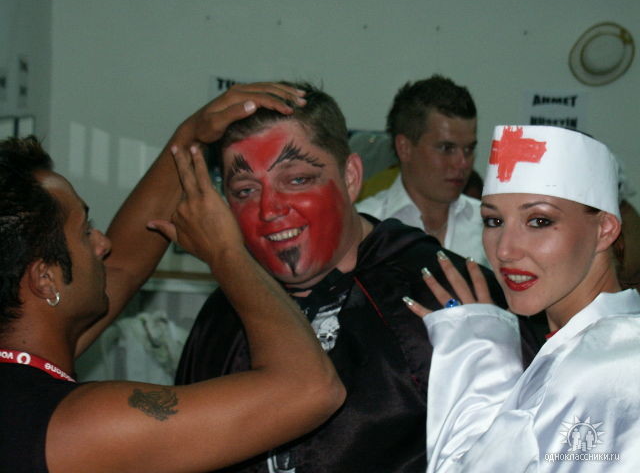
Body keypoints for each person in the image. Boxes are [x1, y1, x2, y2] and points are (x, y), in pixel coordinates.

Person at [175, 82, 541, 473]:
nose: (270, 209)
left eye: (297, 180)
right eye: (245, 190)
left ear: (350, 178)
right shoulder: (226, 312)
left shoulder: (445, 296)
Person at [0, 83, 345, 473]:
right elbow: (310, 389)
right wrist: (226, 254)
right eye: (85, 232)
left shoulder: (18, 371)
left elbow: (124, 265)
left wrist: (190, 138)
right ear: (45, 280)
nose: (103, 243)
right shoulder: (82, 426)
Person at [405, 125, 640, 471]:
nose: (505, 249)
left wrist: (476, 357)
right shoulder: (602, 341)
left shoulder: (600, 366)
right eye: (494, 220)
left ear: (604, 229)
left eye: (539, 221)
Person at [357, 75, 488, 267]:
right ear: (404, 148)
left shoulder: (490, 225)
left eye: (469, 149)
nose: (462, 163)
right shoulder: (364, 227)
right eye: (446, 148)